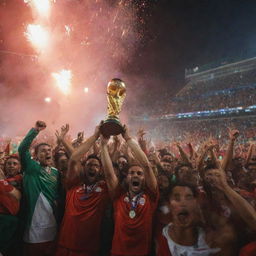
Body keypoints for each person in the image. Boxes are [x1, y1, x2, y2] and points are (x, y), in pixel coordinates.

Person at [100, 125, 158, 256]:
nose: (136, 175)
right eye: (131, 173)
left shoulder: (151, 196)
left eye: (139, 173)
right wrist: (103, 146)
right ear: (126, 178)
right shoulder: (118, 196)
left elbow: (147, 166)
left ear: (145, 179)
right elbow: (109, 174)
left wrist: (128, 139)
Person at [56, 124, 110, 256]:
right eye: (89, 164)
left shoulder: (105, 188)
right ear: (83, 168)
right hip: (65, 245)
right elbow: (74, 158)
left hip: (89, 248)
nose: (92, 167)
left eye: (96, 165)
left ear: (101, 170)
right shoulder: (73, 184)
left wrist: (103, 146)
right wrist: (95, 136)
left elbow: (110, 172)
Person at [18, 121, 60, 256]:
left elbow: (57, 194)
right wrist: (35, 130)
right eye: (43, 151)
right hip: (33, 230)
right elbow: (22, 149)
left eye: (49, 151)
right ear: (35, 156)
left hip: (52, 228)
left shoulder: (55, 172)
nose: (47, 153)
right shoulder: (31, 168)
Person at [157, 183, 220, 256]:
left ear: (195, 203)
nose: (183, 203)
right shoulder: (161, 238)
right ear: (168, 204)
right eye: (177, 198)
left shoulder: (210, 239)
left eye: (188, 198)